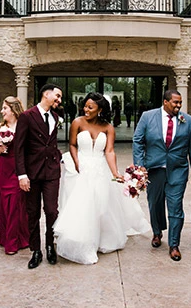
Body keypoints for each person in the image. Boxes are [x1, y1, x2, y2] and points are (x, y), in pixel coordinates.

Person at [54, 93, 149, 264]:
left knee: (102, 206)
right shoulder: (77, 122)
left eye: (90, 107)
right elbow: (73, 144)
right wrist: (76, 163)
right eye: (85, 106)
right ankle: (82, 242)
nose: (86, 109)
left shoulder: (108, 127)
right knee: (82, 206)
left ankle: (102, 239)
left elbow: (109, 151)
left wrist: (115, 173)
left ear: (100, 109)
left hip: (100, 168)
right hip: (80, 168)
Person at [133, 90, 191, 261]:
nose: (179, 106)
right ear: (165, 102)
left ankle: (174, 245)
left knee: (175, 207)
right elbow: (138, 140)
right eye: (175, 102)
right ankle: (157, 232)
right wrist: (139, 166)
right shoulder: (148, 117)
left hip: (178, 169)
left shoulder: (188, 120)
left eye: (180, 103)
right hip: (154, 169)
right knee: (154, 203)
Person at [14, 83, 63, 269]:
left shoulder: (56, 117)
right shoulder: (27, 116)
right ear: (46, 94)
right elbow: (19, 148)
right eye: (57, 96)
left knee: (51, 211)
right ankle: (36, 250)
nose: (59, 100)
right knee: (32, 213)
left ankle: (50, 245)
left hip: (51, 171)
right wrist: (22, 175)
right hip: (31, 173)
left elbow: (52, 143)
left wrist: (57, 158)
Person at [0, 96, 30, 255]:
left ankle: (17, 239)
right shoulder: (0, 127)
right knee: (5, 202)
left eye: (5, 108)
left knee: (17, 203)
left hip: (20, 167)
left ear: (13, 110)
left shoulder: (24, 126)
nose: (2, 111)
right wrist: (2, 146)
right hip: (4, 167)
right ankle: (7, 237)